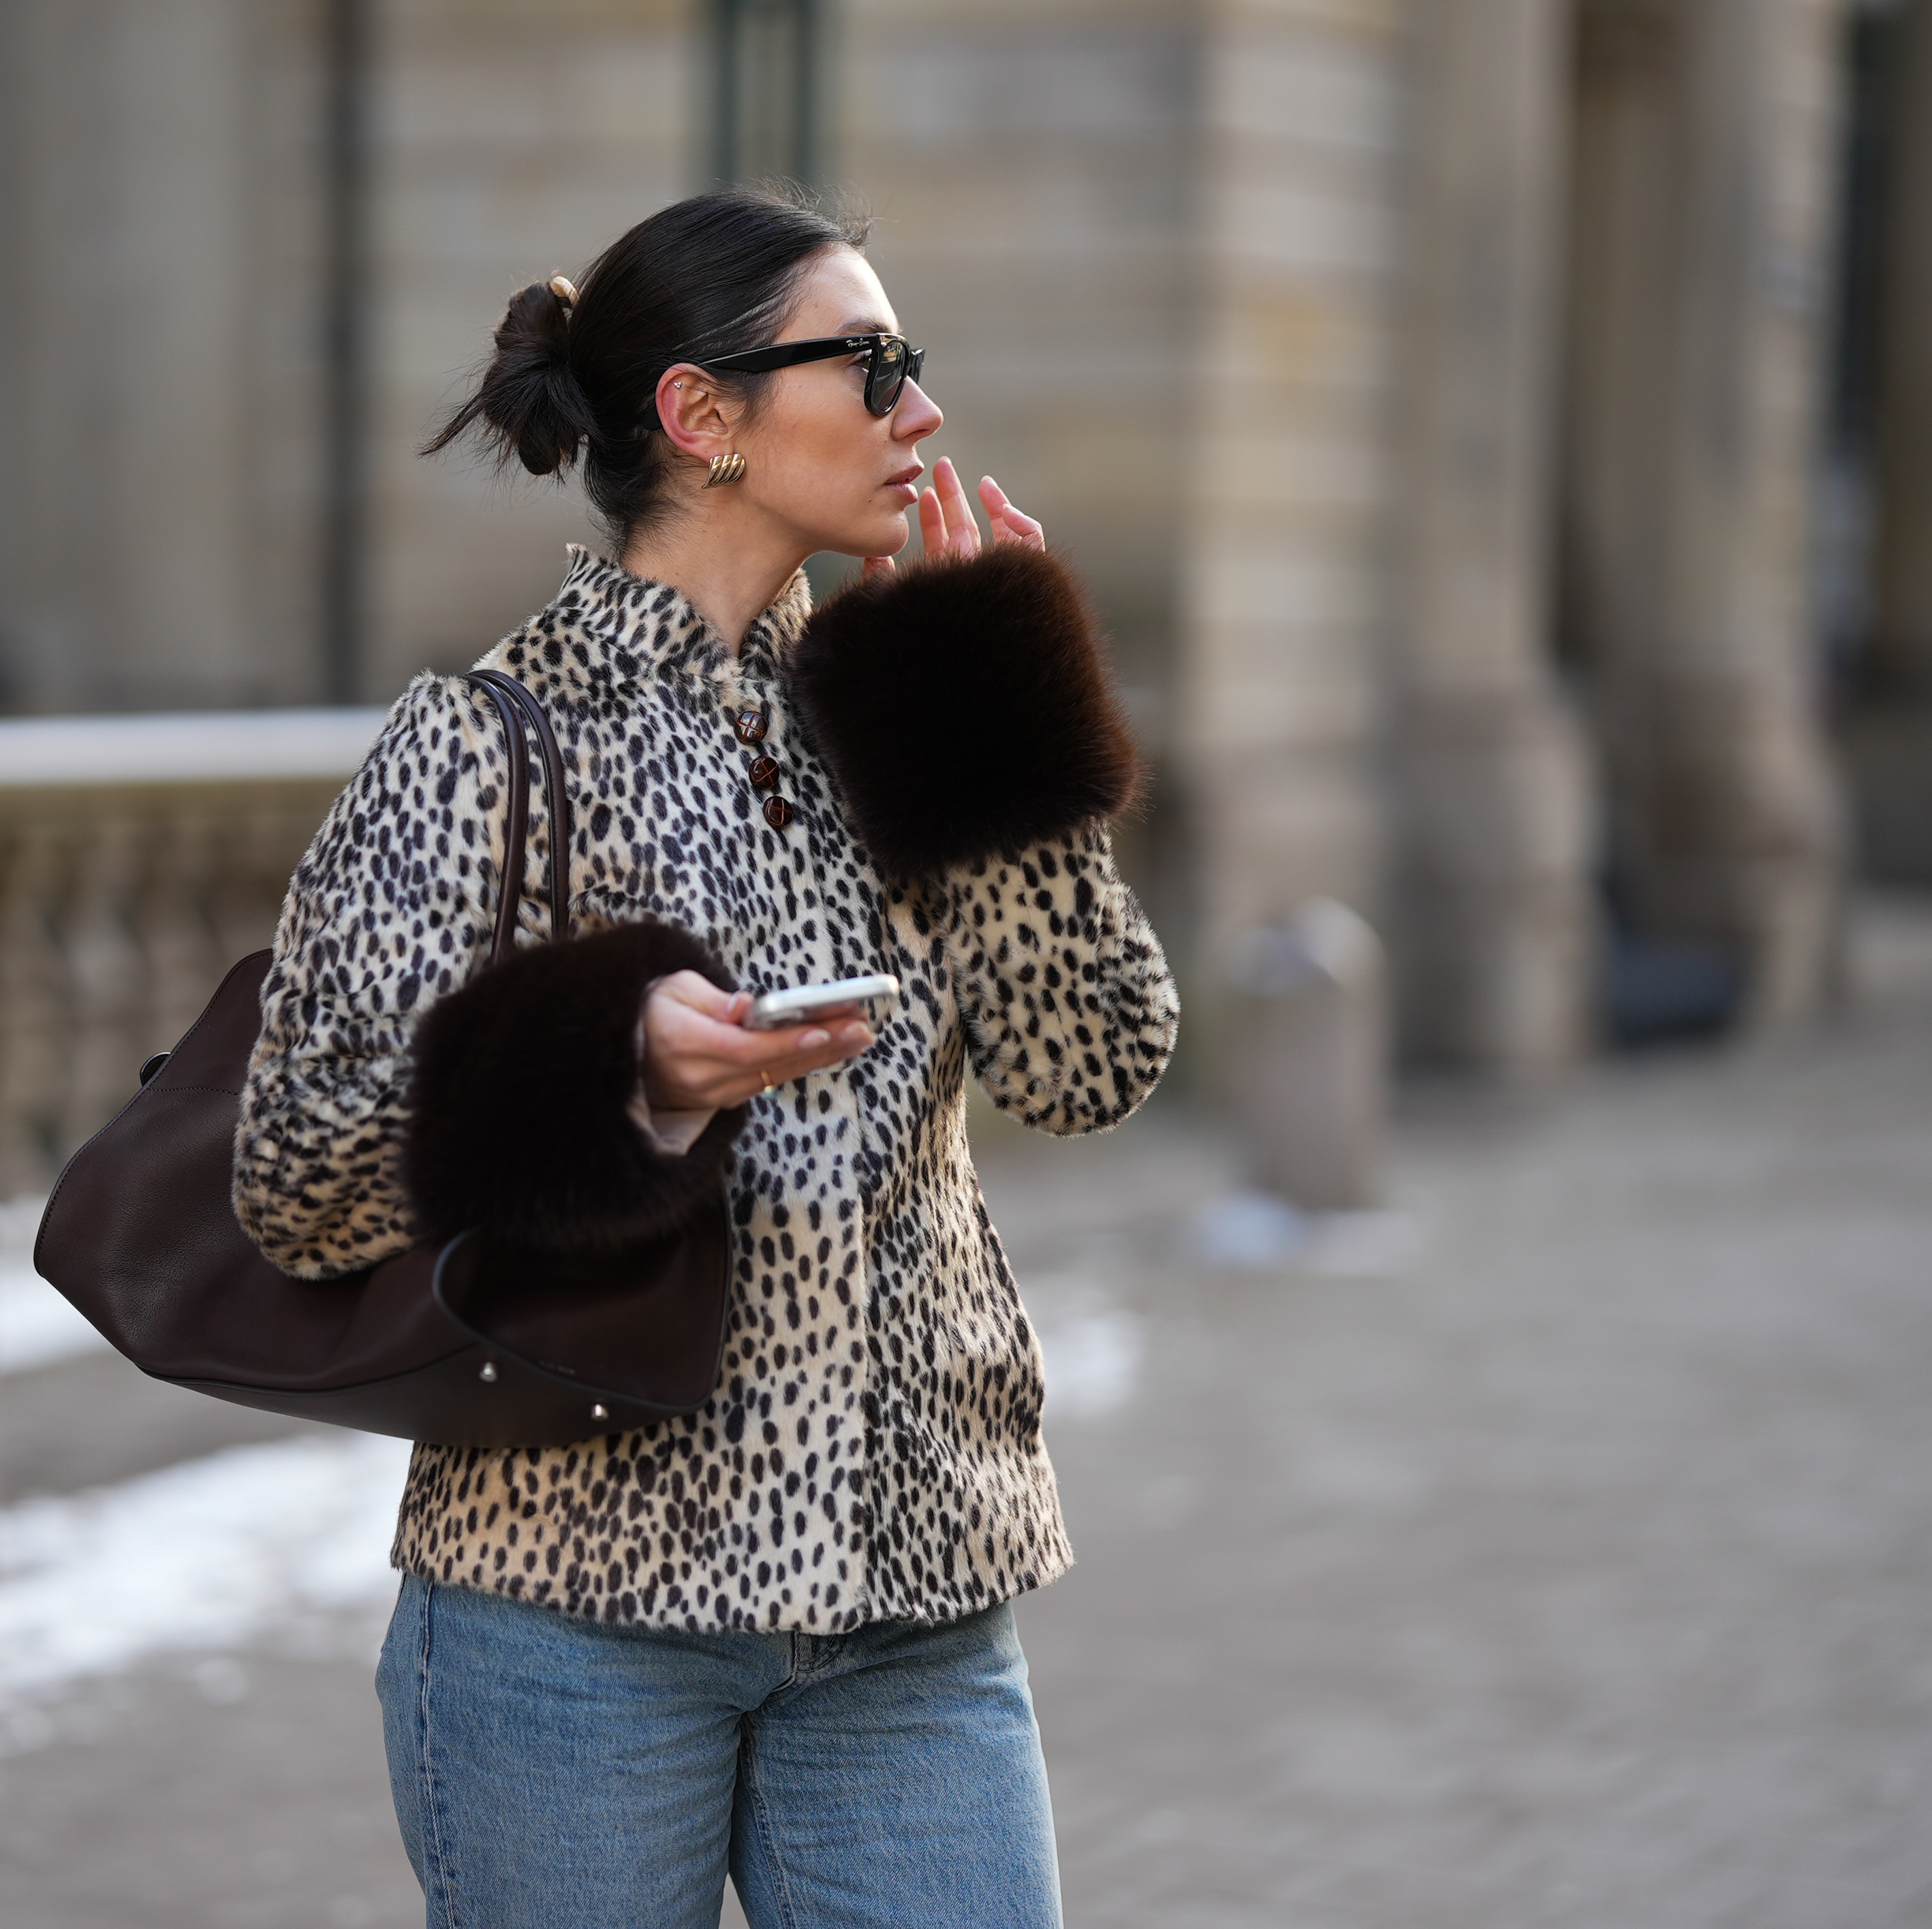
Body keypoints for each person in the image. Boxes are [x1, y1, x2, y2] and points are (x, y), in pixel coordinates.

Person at [232, 187, 1179, 1929]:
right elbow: (295, 1170)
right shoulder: (484, 742)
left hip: (912, 1612)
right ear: (701, 417)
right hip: (572, 1619)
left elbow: (1089, 1061)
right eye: (873, 361)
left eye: (917, 363)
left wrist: (993, 715)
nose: (921, 410)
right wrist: (616, 1070)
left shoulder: (899, 703)